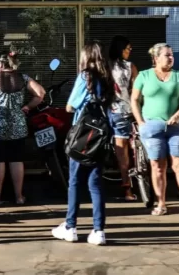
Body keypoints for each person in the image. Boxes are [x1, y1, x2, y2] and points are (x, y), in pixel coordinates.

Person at [52, 42, 114, 246]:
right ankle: (99, 231)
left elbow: (70, 106)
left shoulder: (85, 76)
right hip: (100, 137)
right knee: (95, 184)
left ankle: (70, 226)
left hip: (83, 137)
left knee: (75, 182)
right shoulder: (107, 78)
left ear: (86, 57)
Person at [130, 43, 179, 217]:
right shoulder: (143, 76)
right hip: (152, 127)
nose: (171, 58)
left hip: (176, 127)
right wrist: (140, 122)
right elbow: (135, 100)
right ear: (156, 58)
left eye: (171, 55)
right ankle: (161, 203)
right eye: (167, 55)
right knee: (157, 166)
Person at [0, 52, 45, 205]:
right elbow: (41, 93)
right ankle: (19, 196)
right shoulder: (23, 78)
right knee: (16, 160)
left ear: (0, 64)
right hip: (18, 124)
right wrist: (27, 106)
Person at [108, 36, 139, 202]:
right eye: (128, 48)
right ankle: (128, 189)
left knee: (116, 152)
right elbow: (137, 91)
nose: (130, 51)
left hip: (108, 112)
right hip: (125, 111)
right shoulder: (130, 67)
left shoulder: (105, 66)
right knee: (124, 152)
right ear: (121, 49)